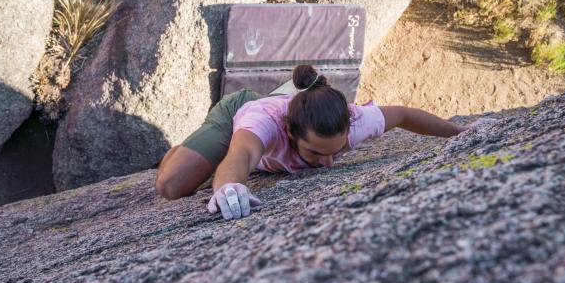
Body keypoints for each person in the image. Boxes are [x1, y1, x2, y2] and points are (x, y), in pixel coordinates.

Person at [155, 64, 496, 220]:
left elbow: (405, 115)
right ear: (289, 132)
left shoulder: (354, 122)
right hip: (239, 115)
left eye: (336, 151)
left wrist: (461, 132)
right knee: (172, 184)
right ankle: (191, 144)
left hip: (281, 110)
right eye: (316, 153)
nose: (328, 163)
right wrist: (228, 187)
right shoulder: (265, 124)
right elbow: (242, 154)